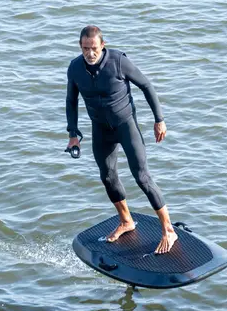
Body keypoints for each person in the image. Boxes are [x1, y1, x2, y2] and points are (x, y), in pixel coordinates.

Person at [66, 25, 178, 254]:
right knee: (107, 177)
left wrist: (159, 119)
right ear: (80, 46)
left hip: (126, 126)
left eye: (94, 48)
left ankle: (168, 229)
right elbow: (71, 100)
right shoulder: (75, 68)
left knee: (142, 177)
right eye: (86, 48)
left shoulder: (117, 61)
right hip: (100, 129)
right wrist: (73, 135)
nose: (90, 53)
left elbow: (146, 85)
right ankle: (126, 220)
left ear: (102, 45)